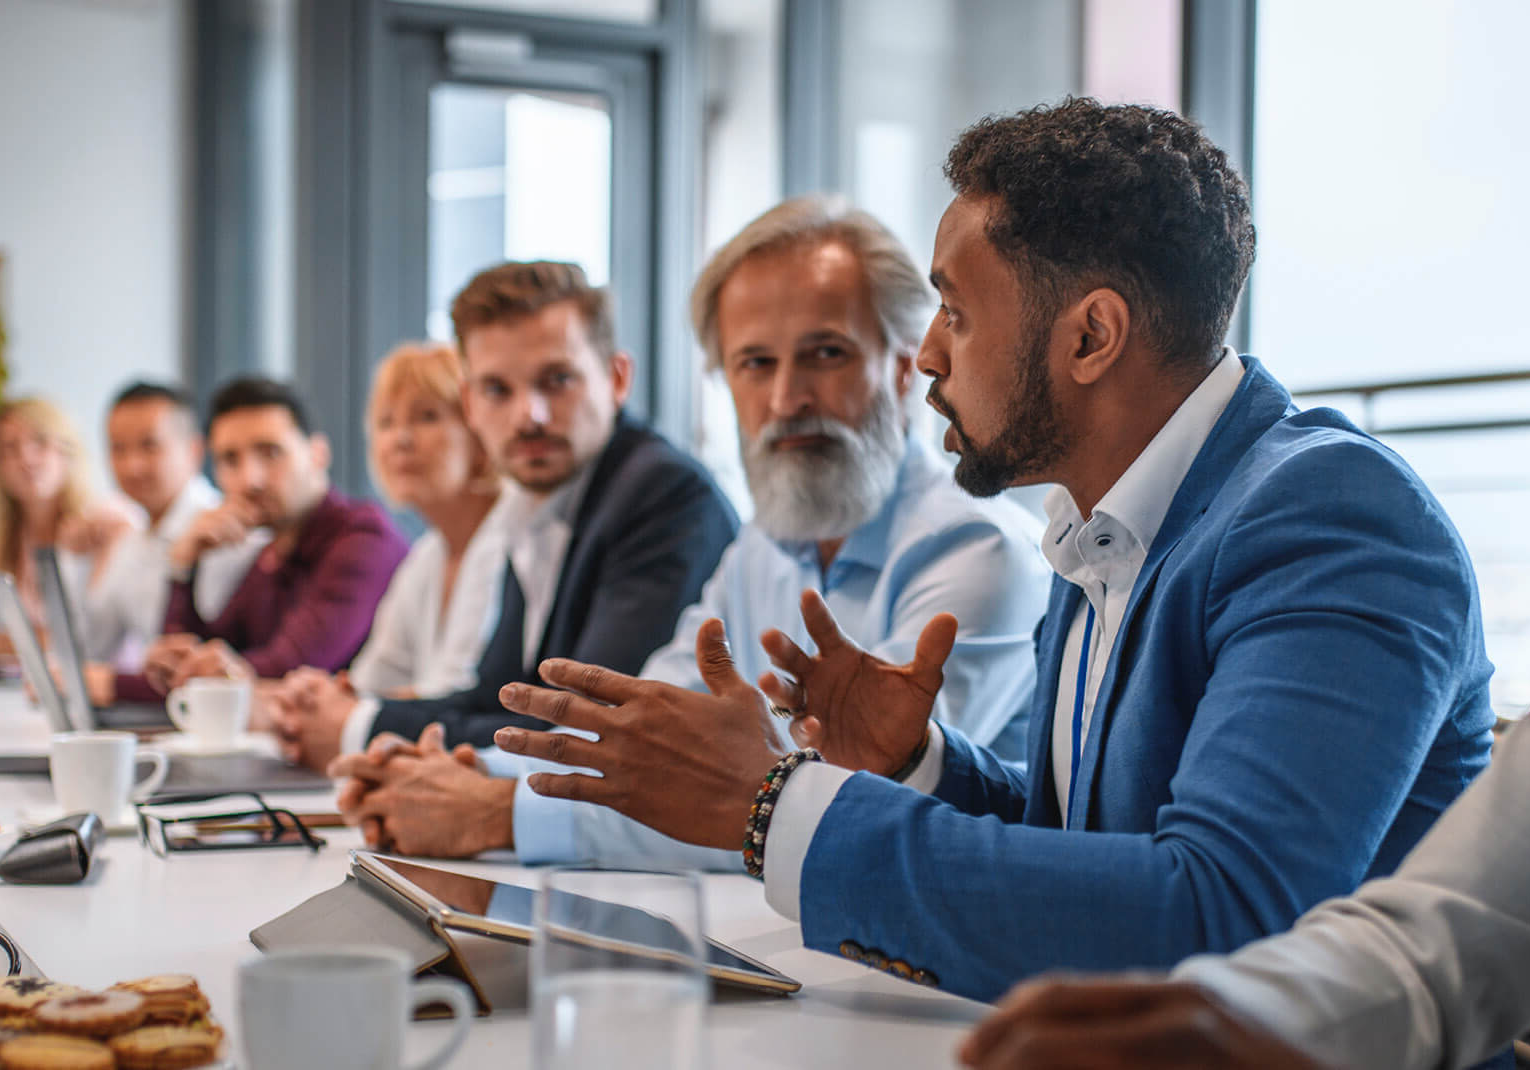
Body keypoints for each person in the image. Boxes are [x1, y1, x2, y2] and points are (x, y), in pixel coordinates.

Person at [953, 3, 1530, 1069]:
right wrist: (1245, 1019)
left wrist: (805, 819)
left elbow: (1221, 895)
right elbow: (1449, 930)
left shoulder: (1325, 511)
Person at [489, 99, 1498, 1007]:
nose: (927, 354)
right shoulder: (1100, 525)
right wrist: (921, 763)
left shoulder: (1332, 518)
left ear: (1091, 336)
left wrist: (773, 806)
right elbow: (1091, 848)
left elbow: (1221, 914)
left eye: (957, 314)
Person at [326, 195, 1050, 864]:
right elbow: (649, 728)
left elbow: (836, 804)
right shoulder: (764, 545)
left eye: (826, 354)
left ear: (901, 367)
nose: (786, 398)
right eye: (754, 363)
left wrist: (498, 811)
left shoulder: (975, 550)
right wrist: (455, 773)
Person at [269, 261, 739, 769]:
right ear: (470, 403)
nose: (528, 416)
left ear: (616, 379)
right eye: (497, 390)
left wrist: (359, 727)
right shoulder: (533, 503)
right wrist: (354, 709)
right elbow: (501, 695)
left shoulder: (663, 495)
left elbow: (584, 728)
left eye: (557, 380)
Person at [136, 376, 407, 698]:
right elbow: (207, 658)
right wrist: (184, 566)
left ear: (318, 454)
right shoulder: (272, 553)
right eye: (230, 460)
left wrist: (112, 684)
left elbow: (285, 668)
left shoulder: (364, 540)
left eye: (270, 453)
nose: (250, 479)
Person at [280, 341, 508, 709]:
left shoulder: (511, 540)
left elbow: (460, 695)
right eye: (386, 422)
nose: (400, 440)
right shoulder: (428, 556)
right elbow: (375, 678)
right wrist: (323, 697)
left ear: (480, 431)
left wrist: (346, 707)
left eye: (427, 416)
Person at [69, 382, 258, 701]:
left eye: (149, 446)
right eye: (118, 449)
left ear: (194, 451)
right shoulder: (132, 540)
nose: (132, 465)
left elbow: (202, 664)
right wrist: (82, 559)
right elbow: (91, 646)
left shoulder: (228, 536)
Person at [0, 397, 121, 657]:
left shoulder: (103, 525)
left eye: (40, 442)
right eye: (10, 448)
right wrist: (33, 643)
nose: (26, 459)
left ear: (68, 451)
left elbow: (91, 638)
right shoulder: (4, 541)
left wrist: (22, 643)